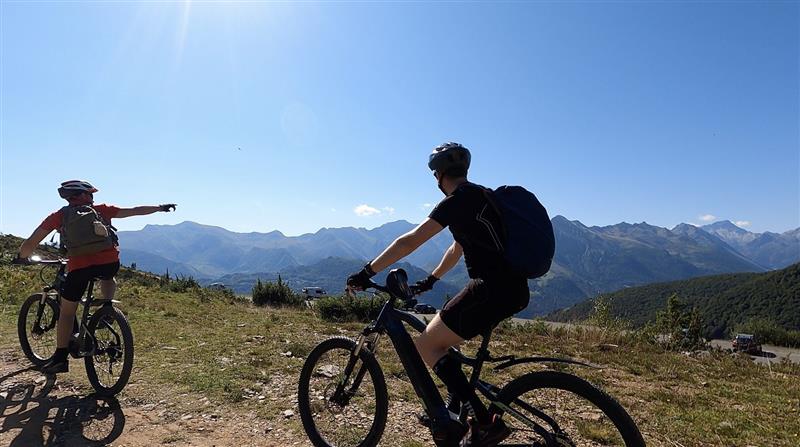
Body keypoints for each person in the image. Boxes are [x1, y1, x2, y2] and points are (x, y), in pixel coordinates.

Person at [347, 143, 531, 447]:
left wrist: (367, 272)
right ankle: (456, 410)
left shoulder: (456, 201)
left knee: (427, 345)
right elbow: (457, 248)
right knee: (447, 332)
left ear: (439, 174)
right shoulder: (483, 196)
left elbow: (409, 242)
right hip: (516, 290)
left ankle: (484, 424)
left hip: (490, 288)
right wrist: (432, 279)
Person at [15, 180, 176, 375]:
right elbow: (134, 210)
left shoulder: (58, 216)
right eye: (91, 194)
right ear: (85, 196)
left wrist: (21, 257)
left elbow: (32, 241)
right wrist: (160, 208)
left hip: (79, 267)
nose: (93, 198)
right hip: (109, 263)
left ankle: (59, 358)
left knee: (67, 312)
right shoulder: (101, 210)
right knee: (108, 277)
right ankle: (106, 308)